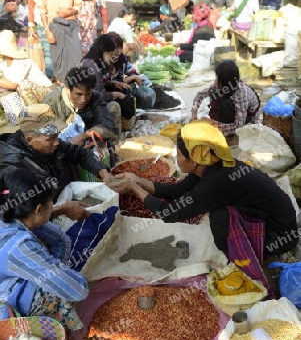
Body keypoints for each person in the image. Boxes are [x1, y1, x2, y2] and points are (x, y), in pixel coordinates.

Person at [108, 121, 298, 287]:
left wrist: (133, 187)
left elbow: (168, 213)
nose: (176, 159)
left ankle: (238, 261)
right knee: (218, 211)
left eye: (180, 155)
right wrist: (138, 180)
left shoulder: (217, 181)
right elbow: (174, 192)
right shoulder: (209, 167)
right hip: (271, 217)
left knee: (219, 216)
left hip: (280, 235)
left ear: (195, 158)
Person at [0, 169, 89, 329]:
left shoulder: (14, 214)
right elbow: (79, 291)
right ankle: (25, 329)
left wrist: (54, 271)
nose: (54, 206)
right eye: (52, 202)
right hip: (3, 300)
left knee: (53, 278)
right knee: (48, 294)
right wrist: (60, 279)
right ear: (38, 209)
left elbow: (62, 241)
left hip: (7, 276)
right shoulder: (19, 246)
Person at [0, 105, 111, 220]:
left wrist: (103, 172)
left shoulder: (50, 143)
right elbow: (14, 213)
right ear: (29, 140)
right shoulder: (12, 166)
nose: (57, 142)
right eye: (51, 139)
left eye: (57, 136)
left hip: (52, 200)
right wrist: (60, 210)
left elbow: (80, 153)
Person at [37, 0, 82, 83]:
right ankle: (61, 88)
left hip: (70, 26)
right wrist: (47, 31)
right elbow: (41, 9)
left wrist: (69, 13)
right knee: (59, 61)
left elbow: (79, 5)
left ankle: (74, 86)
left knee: (75, 59)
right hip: (54, 27)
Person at [190, 60, 260, 140]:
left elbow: (238, 125)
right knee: (214, 92)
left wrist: (212, 123)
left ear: (225, 82)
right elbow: (200, 95)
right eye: (216, 77)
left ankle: (226, 134)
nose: (215, 81)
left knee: (226, 105)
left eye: (218, 79)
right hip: (234, 113)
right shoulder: (225, 86)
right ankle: (221, 126)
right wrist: (194, 113)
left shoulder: (241, 95)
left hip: (248, 119)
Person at [44, 66, 115, 139]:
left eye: (88, 94)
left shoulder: (96, 97)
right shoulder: (51, 101)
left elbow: (107, 126)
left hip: (89, 142)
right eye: (79, 94)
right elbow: (46, 134)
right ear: (67, 90)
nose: (84, 100)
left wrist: (85, 135)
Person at [0, 30, 53, 106]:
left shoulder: (21, 62)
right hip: (28, 94)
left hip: (46, 92)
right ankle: (16, 113)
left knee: (23, 84)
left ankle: (33, 113)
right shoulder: (4, 63)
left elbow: (13, 85)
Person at [27, 0, 53, 79]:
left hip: (53, 19)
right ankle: (50, 75)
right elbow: (31, 5)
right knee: (45, 49)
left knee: (55, 47)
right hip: (40, 20)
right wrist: (31, 24)